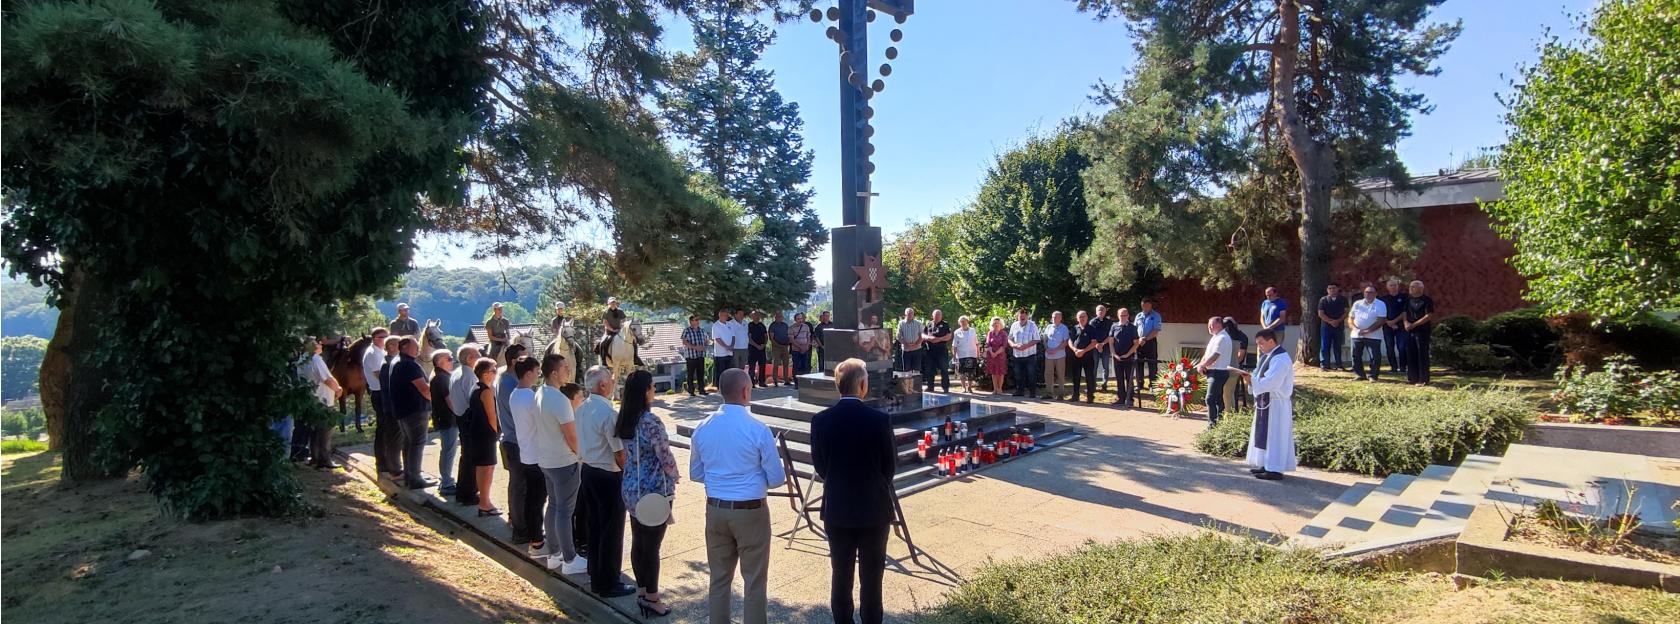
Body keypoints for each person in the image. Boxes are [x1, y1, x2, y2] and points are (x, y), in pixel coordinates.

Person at [689, 368, 786, 624]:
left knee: (719, 578)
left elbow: (696, 473)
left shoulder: (702, 427)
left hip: (716, 508)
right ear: (745, 391)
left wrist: (720, 479)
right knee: (754, 580)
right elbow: (777, 478)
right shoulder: (757, 428)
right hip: (751, 509)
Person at [810, 358, 894, 624]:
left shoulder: (821, 421)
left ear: (838, 385)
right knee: (872, 578)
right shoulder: (879, 420)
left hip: (838, 507)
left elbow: (821, 467)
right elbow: (889, 468)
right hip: (873, 508)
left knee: (841, 574)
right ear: (863, 385)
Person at [616, 370, 680, 617]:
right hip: (653, 490)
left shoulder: (626, 419)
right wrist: (674, 474)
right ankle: (652, 597)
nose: (654, 390)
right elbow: (664, 454)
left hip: (631, 487)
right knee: (652, 546)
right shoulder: (650, 422)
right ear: (645, 392)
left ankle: (642, 590)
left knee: (639, 541)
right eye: (652, 386)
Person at [578, 365, 633, 597]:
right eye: (610, 380)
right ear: (602, 385)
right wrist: (629, 475)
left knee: (594, 526)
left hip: (588, 471)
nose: (613, 382)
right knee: (611, 530)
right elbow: (619, 453)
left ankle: (596, 575)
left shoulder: (582, 408)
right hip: (607, 475)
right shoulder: (608, 414)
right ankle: (609, 582)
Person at [533, 354, 588, 575]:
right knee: (565, 511)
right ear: (554, 373)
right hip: (563, 461)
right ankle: (569, 558)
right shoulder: (560, 400)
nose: (568, 370)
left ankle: (555, 553)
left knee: (554, 506)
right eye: (565, 367)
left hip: (546, 459)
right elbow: (571, 436)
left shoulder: (540, 392)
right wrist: (581, 455)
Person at [1230, 329, 1296, 480]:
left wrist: (1251, 379)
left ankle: (1275, 469)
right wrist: (1250, 378)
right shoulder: (1268, 356)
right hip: (1266, 401)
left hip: (1276, 404)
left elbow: (1272, 382)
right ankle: (1266, 464)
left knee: (1274, 436)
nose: (1259, 346)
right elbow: (1260, 377)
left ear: (1271, 341)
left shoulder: (1280, 359)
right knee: (1266, 435)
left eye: (1261, 343)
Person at [496, 345, 543, 548]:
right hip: (516, 441)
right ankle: (521, 529)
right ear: (515, 361)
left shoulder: (506, 379)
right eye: (524, 358)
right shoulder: (512, 385)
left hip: (513, 439)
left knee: (519, 486)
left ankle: (519, 524)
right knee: (520, 487)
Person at [508, 355, 549, 554]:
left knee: (532, 497)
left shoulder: (515, 394)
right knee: (537, 499)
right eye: (536, 371)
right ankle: (537, 540)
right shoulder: (530, 397)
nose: (538, 374)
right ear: (528, 373)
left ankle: (534, 536)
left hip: (526, 451)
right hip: (536, 453)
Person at [462, 358, 501, 515]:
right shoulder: (486, 392)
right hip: (486, 435)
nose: (495, 373)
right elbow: (492, 417)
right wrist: (496, 433)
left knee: (482, 467)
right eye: (493, 371)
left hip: (476, 433)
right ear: (485, 374)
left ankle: (483, 500)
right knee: (487, 468)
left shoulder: (476, 388)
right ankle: (485, 502)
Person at [299, 337, 343, 469]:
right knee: (325, 431)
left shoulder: (301, 360)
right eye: (317, 343)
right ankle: (324, 460)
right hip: (323, 399)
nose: (320, 344)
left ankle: (315, 457)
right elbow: (327, 379)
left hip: (311, 399)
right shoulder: (316, 359)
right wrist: (338, 389)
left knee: (314, 431)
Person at [450, 344, 484, 506]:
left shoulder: (456, 372)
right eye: (478, 355)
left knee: (466, 456)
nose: (481, 357)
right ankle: (469, 493)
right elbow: (475, 400)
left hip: (460, 416)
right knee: (472, 458)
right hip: (469, 418)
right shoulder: (470, 376)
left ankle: (462, 491)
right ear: (470, 358)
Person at [361, 328, 391, 476]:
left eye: (387, 336)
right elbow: (380, 375)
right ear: (374, 338)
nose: (385, 339)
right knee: (383, 428)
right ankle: (382, 462)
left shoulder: (380, 351)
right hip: (379, 393)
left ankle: (386, 461)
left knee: (386, 428)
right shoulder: (373, 353)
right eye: (382, 337)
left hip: (382, 392)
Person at [1194, 317, 1233, 428]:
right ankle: (1218, 423)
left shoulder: (1222, 338)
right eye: (1209, 325)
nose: (1209, 327)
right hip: (1213, 371)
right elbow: (1207, 354)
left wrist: (1203, 365)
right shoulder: (1215, 337)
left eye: (1212, 325)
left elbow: (1215, 355)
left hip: (1218, 371)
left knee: (1210, 398)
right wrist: (1201, 364)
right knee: (1217, 398)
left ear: (1220, 324)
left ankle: (1212, 424)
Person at [430, 349, 458, 495]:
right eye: (449, 359)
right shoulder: (442, 378)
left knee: (448, 450)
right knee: (448, 451)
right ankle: (446, 483)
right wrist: (460, 414)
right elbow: (450, 400)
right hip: (447, 419)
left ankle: (446, 480)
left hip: (444, 419)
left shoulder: (439, 376)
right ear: (440, 362)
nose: (452, 361)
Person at [378, 334, 404, 482]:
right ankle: (395, 470)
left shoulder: (388, 363)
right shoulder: (388, 365)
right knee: (395, 439)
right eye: (400, 344)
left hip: (391, 407)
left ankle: (395, 467)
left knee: (395, 439)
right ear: (391, 347)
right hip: (392, 408)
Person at [1350, 284, 1388, 382]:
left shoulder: (1380, 304)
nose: (1368, 294)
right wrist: (1355, 329)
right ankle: (1359, 374)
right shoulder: (1357, 303)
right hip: (1357, 334)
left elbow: (1381, 320)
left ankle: (1373, 376)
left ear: (1375, 294)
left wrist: (1368, 331)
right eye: (1366, 292)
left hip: (1374, 335)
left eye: (1371, 292)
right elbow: (1351, 318)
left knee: (1374, 356)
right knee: (1355, 355)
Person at [1403, 280, 1436, 385]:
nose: (1411, 288)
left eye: (1413, 286)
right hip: (1409, 330)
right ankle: (1412, 378)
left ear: (1420, 288)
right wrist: (1406, 323)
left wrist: (1414, 324)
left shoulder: (1426, 300)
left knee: (1422, 354)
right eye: (1410, 286)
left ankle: (1423, 379)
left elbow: (1429, 315)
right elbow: (1404, 313)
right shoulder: (1408, 300)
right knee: (1410, 353)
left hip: (1422, 331)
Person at [1109, 309, 1140, 407]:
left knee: (1129, 378)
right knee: (1119, 378)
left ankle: (1130, 399)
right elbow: (1111, 342)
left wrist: (1127, 354)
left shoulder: (1132, 327)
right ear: (1118, 316)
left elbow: (1136, 343)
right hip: (1117, 357)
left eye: (1125, 315)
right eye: (1121, 315)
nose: (1123, 317)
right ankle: (1121, 399)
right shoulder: (1114, 326)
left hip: (1128, 357)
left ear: (1128, 316)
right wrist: (1114, 354)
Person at [1068, 311, 1101, 403]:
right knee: (1076, 377)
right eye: (1080, 317)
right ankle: (1075, 395)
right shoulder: (1074, 328)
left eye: (1083, 316)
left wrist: (1083, 351)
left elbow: (1094, 342)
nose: (1082, 318)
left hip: (1088, 356)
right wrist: (1075, 350)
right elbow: (1070, 341)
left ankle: (1090, 396)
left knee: (1089, 376)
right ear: (1077, 318)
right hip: (1076, 355)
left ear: (1087, 317)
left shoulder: (1091, 328)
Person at [1007, 308, 1041, 398]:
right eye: (1020, 316)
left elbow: (1037, 339)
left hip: (1030, 355)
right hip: (1017, 355)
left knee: (1031, 374)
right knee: (1018, 375)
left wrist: (1026, 346)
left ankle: (1032, 392)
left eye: (1024, 316)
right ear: (1017, 317)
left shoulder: (1033, 325)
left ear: (1027, 316)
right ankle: (1020, 391)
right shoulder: (1014, 325)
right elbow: (1009, 338)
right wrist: (1013, 345)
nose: (1022, 318)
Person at [1316, 283, 1350, 371]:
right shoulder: (1323, 300)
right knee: (1325, 345)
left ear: (1338, 289)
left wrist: (1338, 320)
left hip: (1339, 326)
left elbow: (1346, 311)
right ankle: (1324, 365)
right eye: (1329, 288)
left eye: (1333, 288)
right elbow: (1320, 313)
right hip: (1326, 326)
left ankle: (1339, 365)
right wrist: (1331, 321)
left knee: (1337, 345)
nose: (1331, 290)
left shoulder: (1343, 299)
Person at [1380, 278, 1409, 374]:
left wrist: (1394, 321)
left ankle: (1403, 367)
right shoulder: (1383, 299)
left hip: (1401, 326)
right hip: (1387, 326)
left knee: (1402, 347)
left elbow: (1405, 311)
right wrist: (1388, 322)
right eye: (1391, 285)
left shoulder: (1404, 297)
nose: (1393, 287)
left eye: (1395, 285)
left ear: (1398, 286)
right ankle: (1393, 367)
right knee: (1389, 347)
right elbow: (1380, 313)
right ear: (1387, 287)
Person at [1134, 299, 1163, 396]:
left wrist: (1145, 339)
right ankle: (1139, 383)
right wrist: (1138, 340)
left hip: (1150, 342)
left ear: (1151, 306)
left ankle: (1152, 385)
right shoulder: (1139, 315)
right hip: (1139, 342)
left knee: (1152, 364)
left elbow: (1156, 330)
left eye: (1147, 306)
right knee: (1139, 363)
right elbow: (1134, 328)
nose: (1145, 308)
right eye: (1143, 306)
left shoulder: (1156, 316)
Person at [1221, 318, 1251, 410]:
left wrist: (1232, 365)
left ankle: (1229, 413)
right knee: (1226, 394)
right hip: (1225, 366)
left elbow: (1240, 357)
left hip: (1233, 367)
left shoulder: (1241, 337)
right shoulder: (1224, 336)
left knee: (1228, 394)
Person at [921, 309, 952, 392]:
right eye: (936, 315)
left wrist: (939, 339)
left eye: (939, 315)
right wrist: (929, 338)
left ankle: (945, 387)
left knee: (944, 369)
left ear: (941, 316)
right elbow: (923, 335)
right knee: (929, 369)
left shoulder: (945, 324)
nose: (937, 316)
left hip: (941, 350)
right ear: (933, 316)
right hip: (930, 350)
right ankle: (930, 387)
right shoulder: (929, 324)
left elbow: (949, 336)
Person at [1041, 311, 1069, 400]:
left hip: (1060, 355)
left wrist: (1055, 350)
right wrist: (1046, 348)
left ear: (1060, 318)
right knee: (1048, 374)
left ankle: (1061, 394)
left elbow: (1065, 342)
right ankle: (1049, 393)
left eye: (1056, 317)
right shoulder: (1048, 327)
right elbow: (1044, 339)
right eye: (1053, 317)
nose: (1054, 318)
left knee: (1060, 374)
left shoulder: (1064, 328)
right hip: (1049, 355)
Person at [681, 315, 710, 396]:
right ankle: (691, 391)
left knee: (701, 373)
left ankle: (701, 390)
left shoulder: (702, 330)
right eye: (696, 320)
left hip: (700, 355)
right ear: (691, 321)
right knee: (690, 374)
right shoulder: (687, 330)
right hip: (691, 356)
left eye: (698, 320)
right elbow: (684, 342)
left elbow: (707, 340)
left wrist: (704, 346)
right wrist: (694, 347)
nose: (698, 321)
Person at [1090, 305, 1114, 391]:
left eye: (1102, 310)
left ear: (1105, 312)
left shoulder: (1109, 322)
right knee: (1094, 367)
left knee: (1105, 367)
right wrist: (1097, 345)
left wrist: (1102, 344)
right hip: (1094, 347)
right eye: (1099, 310)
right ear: (1096, 312)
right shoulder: (1092, 322)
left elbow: (1111, 335)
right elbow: (1091, 335)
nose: (1101, 311)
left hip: (1106, 347)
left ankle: (1104, 384)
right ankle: (1093, 385)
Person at [953, 315, 980, 393]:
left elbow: (977, 343)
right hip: (961, 355)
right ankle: (964, 388)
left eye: (964, 321)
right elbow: (954, 345)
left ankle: (970, 388)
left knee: (970, 372)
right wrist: (954, 355)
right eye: (961, 322)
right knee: (962, 373)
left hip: (971, 354)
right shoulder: (957, 332)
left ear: (967, 322)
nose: (963, 323)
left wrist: (978, 353)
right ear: (959, 323)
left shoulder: (973, 330)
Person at [711, 309, 736, 386]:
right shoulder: (716, 325)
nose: (726, 317)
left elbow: (733, 336)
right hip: (720, 354)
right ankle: (720, 387)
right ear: (720, 316)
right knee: (720, 372)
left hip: (729, 353)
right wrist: (726, 347)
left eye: (727, 315)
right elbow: (717, 339)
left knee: (729, 371)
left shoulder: (730, 324)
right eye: (725, 315)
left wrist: (732, 345)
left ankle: (728, 386)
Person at [897, 308, 924, 378]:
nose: (910, 315)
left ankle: (916, 384)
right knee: (907, 370)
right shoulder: (901, 323)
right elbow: (898, 336)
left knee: (917, 370)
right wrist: (906, 344)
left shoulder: (918, 323)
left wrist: (916, 344)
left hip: (917, 349)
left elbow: (922, 335)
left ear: (913, 314)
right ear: (905, 314)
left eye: (911, 313)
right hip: (906, 349)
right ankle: (908, 384)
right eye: (908, 313)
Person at [985, 317, 1009, 396]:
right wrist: (992, 352)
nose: (996, 325)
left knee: (1001, 372)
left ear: (1000, 324)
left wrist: (996, 353)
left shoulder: (1003, 333)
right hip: (991, 355)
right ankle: (995, 389)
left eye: (997, 323)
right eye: (994, 323)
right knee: (994, 372)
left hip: (1000, 355)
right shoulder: (990, 333)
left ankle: (999, 388)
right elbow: (988, 344)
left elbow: (1004, 345)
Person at [1260, 287, 1289, 351]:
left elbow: (1282, 318)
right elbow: (1262, 317)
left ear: (1275, 294)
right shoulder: (1265, 303)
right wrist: (1265, 327)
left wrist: (1270, 327)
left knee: (1275, 350)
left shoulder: (1281, 302)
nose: (1268, 297)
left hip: (1277, 331)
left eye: (1270, 295)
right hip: (1266, 331)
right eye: (1267, 295)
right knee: (1263, 349)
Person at [769, 311, 792, 386]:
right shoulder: (772, 326)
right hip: (776, 347)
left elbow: (788, 334)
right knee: (776, 364)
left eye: (781, 317)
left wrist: (788, 343)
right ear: (775, 318)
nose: (780, 318)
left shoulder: (785, 325)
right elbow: (771, 338)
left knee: (786, 364)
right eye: (778, 317)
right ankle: (775, 381)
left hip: (785, 347)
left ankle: (786, 380)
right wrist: (779, 345)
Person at [746, 310, 769, 386]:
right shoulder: (749, 325)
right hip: (753, 348)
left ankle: (762, 382)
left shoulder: (762, 326)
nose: (757, 317)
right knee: (752, 366)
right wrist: (757, 346)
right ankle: (751, 382)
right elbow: (749, 338)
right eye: (755, 315)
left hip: (762, 348)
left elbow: (766, 336)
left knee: (762, 365)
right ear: (752, 317)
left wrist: (764, 345)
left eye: (758, 315)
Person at [790, 312, 814, 377]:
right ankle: (796, 381)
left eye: (801, 318)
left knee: (805, 366)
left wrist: (807, 346)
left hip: (805, 350)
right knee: (796, 366)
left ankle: (804, 380)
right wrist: (801, 347)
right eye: (798, 319)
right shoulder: (791, 328)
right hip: (796, 350)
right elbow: (792, 340)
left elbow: (808, 337)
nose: (800, 320)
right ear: (795, 319)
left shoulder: (806, 326)